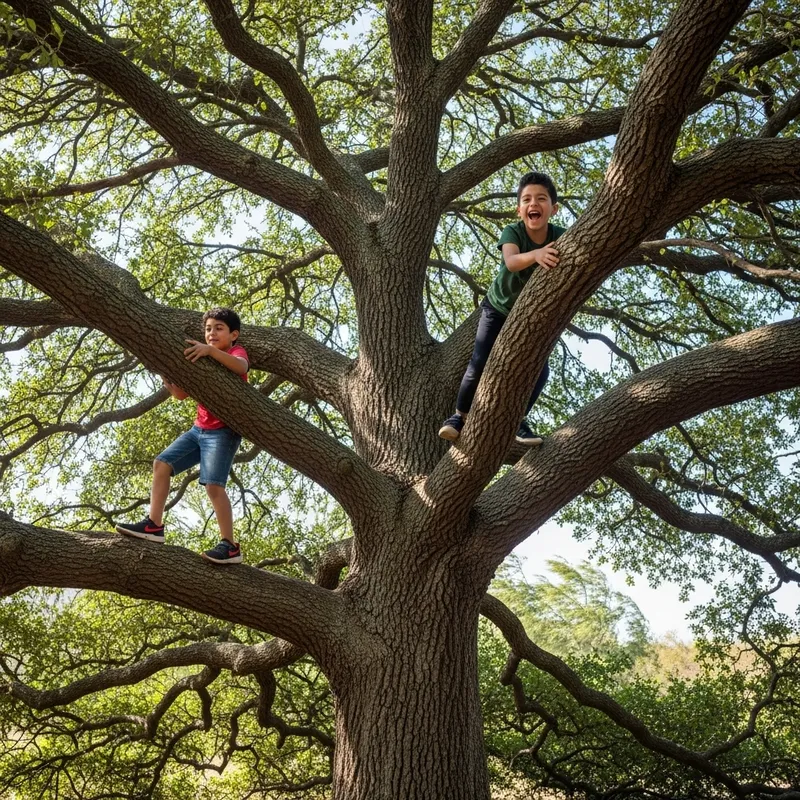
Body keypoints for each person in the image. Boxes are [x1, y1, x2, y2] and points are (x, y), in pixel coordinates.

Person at [439, 171, 565, 445]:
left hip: (532, 317)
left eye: (541, 199)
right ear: (519, 209)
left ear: (553, 208)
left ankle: (517, 420)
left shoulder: (561, 236)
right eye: (527, 199)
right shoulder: (513, 231)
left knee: (541, 372)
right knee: (479, 361)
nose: (534, 203)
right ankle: (459, 417)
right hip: (497, 309)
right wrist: (536, 254)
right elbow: (511, 261)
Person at [116, 307, 249, 564]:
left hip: (222, 432)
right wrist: (168, 378)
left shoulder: (234, 352)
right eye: (208, 329)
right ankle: (154, 525)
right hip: (198, 430)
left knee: (213, 485)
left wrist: (210, 351)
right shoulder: (201, 357)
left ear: (234, 335)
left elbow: (241, 365)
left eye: (218, 329)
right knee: (161, 464)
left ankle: (230, 546)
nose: (211, 333)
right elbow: (181, 394)